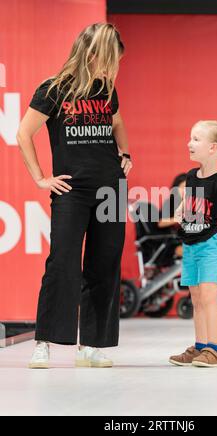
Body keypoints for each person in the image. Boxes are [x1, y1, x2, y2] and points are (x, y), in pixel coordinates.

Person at [17, 23, 133, 369]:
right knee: (63, 264)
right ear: (93, 54)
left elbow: (117, 124)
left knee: (105, 265)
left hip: (112, 188)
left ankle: (93, 345)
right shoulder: (53, 89)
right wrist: (40, 178)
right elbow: (24, 133)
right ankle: (44, 341)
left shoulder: (106, 90)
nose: (113, 67)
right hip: (73, 191)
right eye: (111, 59)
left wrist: (125, 153)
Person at [169, 120, 217, 368]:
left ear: (212, 148)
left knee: (208, 296)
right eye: (190, 138)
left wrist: (195, 214)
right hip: (191, 243)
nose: (190, 143)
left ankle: (214, 349)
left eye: (196, 139)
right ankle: (199, 347)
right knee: (195, 297)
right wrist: (180, 210)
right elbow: (189, 204)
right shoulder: (190, 177)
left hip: (210, 244)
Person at [158, 173, 187, 258]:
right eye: (183, 187)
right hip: (169, 242)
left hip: (184, 240)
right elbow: (161, 223)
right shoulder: (170, 203)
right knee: (191, 252)